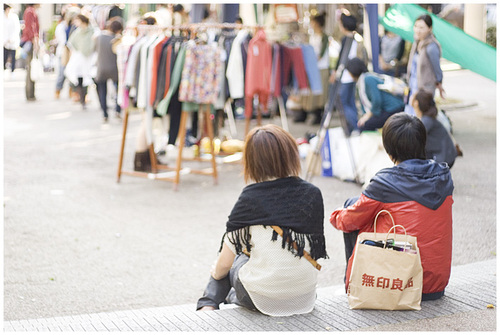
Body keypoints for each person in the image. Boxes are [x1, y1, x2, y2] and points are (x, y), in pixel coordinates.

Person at [197, 124, 327, 316]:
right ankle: (230, 297)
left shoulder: (250, 198)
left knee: (231, 257)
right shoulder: (312, 194)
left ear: (251, 161)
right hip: (305, 295)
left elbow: (224, 264)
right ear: (291, 154)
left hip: (260, 298)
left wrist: (216, 274)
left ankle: (208, 303)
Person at [330, 112, 454, 301]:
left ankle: (354, 286)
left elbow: (347, 221)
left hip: (398, 284)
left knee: (351, 205)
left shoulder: (385, 183)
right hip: (435, 286)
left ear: (389, 150)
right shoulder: (443, 176)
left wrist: (336, 213)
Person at [329, 9, 367, 134]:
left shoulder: (347, 39)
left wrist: (335, 72)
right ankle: (353, 127)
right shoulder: (356, 38)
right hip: (352, 75)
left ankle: (356, 126)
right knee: (350, 102)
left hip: (346, 76)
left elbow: (342, 58)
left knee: (344, 103)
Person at [345, 57, 405, 132]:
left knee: (365, 125)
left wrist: (368, 116)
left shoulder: (367, 79)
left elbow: (377, 100)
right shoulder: (362, 81)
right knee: (365, 123)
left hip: (393, 108)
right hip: (387, 110)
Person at [404, 14, 445, 116]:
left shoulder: (432, 46)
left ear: (429, 29)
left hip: (424, 90)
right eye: (416, 26)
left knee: (420, 117)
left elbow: (437, 69)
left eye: (422, 27)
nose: (418, 30)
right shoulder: (417, 43)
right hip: (413, 85)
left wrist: (439, 84)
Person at [295, 11, 330, 125]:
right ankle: (305, 113)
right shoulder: (312, 37)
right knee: (308, 91)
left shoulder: (324, 37)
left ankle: (317, 114)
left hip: (321, 68)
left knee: (319, 93)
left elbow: (320, 54)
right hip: (311, 68)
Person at [412, 89, 459, 167]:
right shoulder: (431, 116)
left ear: (416, 103)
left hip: (443, 157)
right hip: (446, 153)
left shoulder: (427, 121)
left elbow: (413, 138)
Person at [94, 17, 123, 123]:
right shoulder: (118, 40)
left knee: (102, 91)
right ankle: (118, 110)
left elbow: (94, 49)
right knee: (118, 90)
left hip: (101, 68)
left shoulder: (99, 37)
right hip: (115, 69)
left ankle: (105, 113)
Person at [65, 14, 95, 110]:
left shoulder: (92, 31)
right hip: (79, 60)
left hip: (89, 59)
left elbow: (94, 44)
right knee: (79, 79)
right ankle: (82, 99)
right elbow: (71, 44)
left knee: (88, 78)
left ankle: (85, 97)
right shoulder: (77, 33)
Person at [20, 4, 40, 101]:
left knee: (31, 68)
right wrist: (34, 40)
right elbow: (30, 28)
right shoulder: (30, 11)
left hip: (32, 42)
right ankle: (30, 94)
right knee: (30, 69)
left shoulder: (31, 11)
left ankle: (31, 94)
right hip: (30, 42)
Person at [3, 4, 20, 77]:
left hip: (13, 41)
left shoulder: (14, 17)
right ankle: (3, 70)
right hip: (5, 41)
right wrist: (5, 39)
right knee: (4, 56)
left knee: (13, 56)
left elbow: (16, 29)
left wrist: (11, 38)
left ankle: (12, 71)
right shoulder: (2, 17)